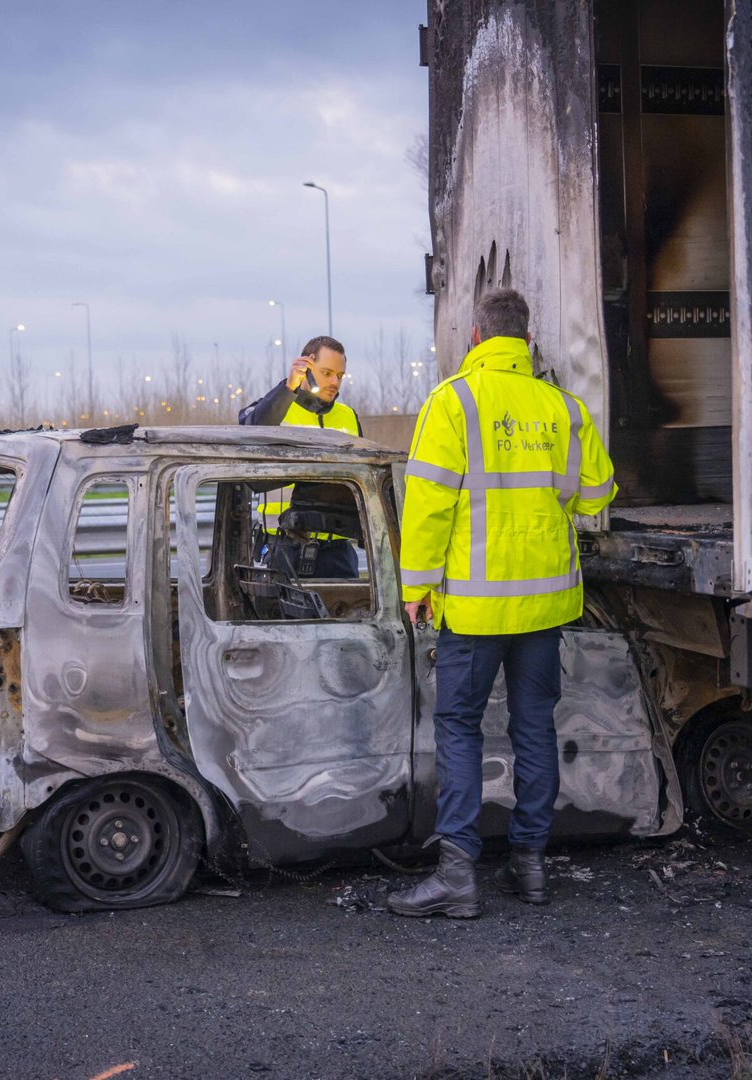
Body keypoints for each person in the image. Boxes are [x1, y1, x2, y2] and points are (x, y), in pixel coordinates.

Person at [387, 288, 617, 919]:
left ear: (476, 337)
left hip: (475, 607)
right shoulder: (562, 408)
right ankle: (531, 865)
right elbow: (597, 496)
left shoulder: (453, 402)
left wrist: (415, 588)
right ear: (527, 340)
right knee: (534, 728)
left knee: (459, 728)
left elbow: (429, 504)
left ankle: (458, 876)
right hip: (544, 608)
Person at [238, 335, 363, 579]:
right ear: (305, 367)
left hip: (338, 551)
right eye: (327, 372)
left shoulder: (348, 416)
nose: (334, 382)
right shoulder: (277, 408)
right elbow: (249, 433)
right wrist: (287, 389)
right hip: (284, 547)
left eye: (340, 375)